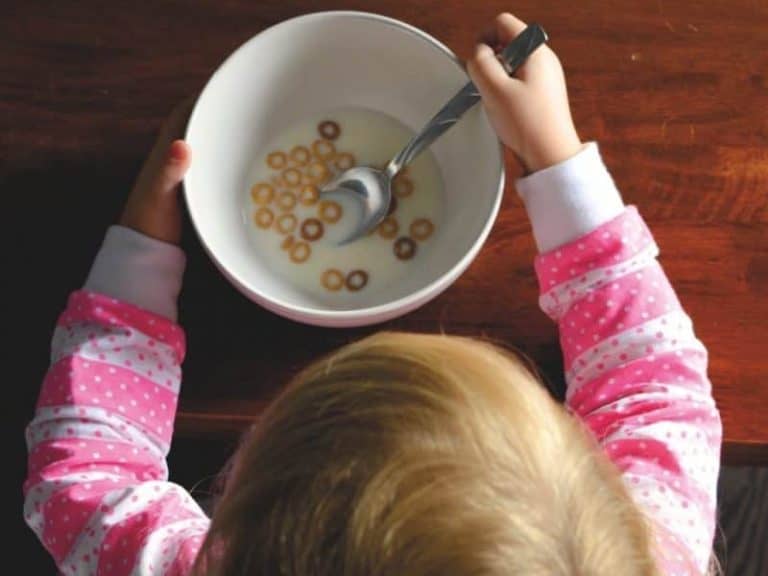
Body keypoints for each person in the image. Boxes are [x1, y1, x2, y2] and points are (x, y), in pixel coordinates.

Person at [24, 12, 720, 576]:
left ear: (240, 508)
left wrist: (141, 252)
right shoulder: (638, 551)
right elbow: (655, 385)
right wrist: (557, 159)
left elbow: (85, 475)